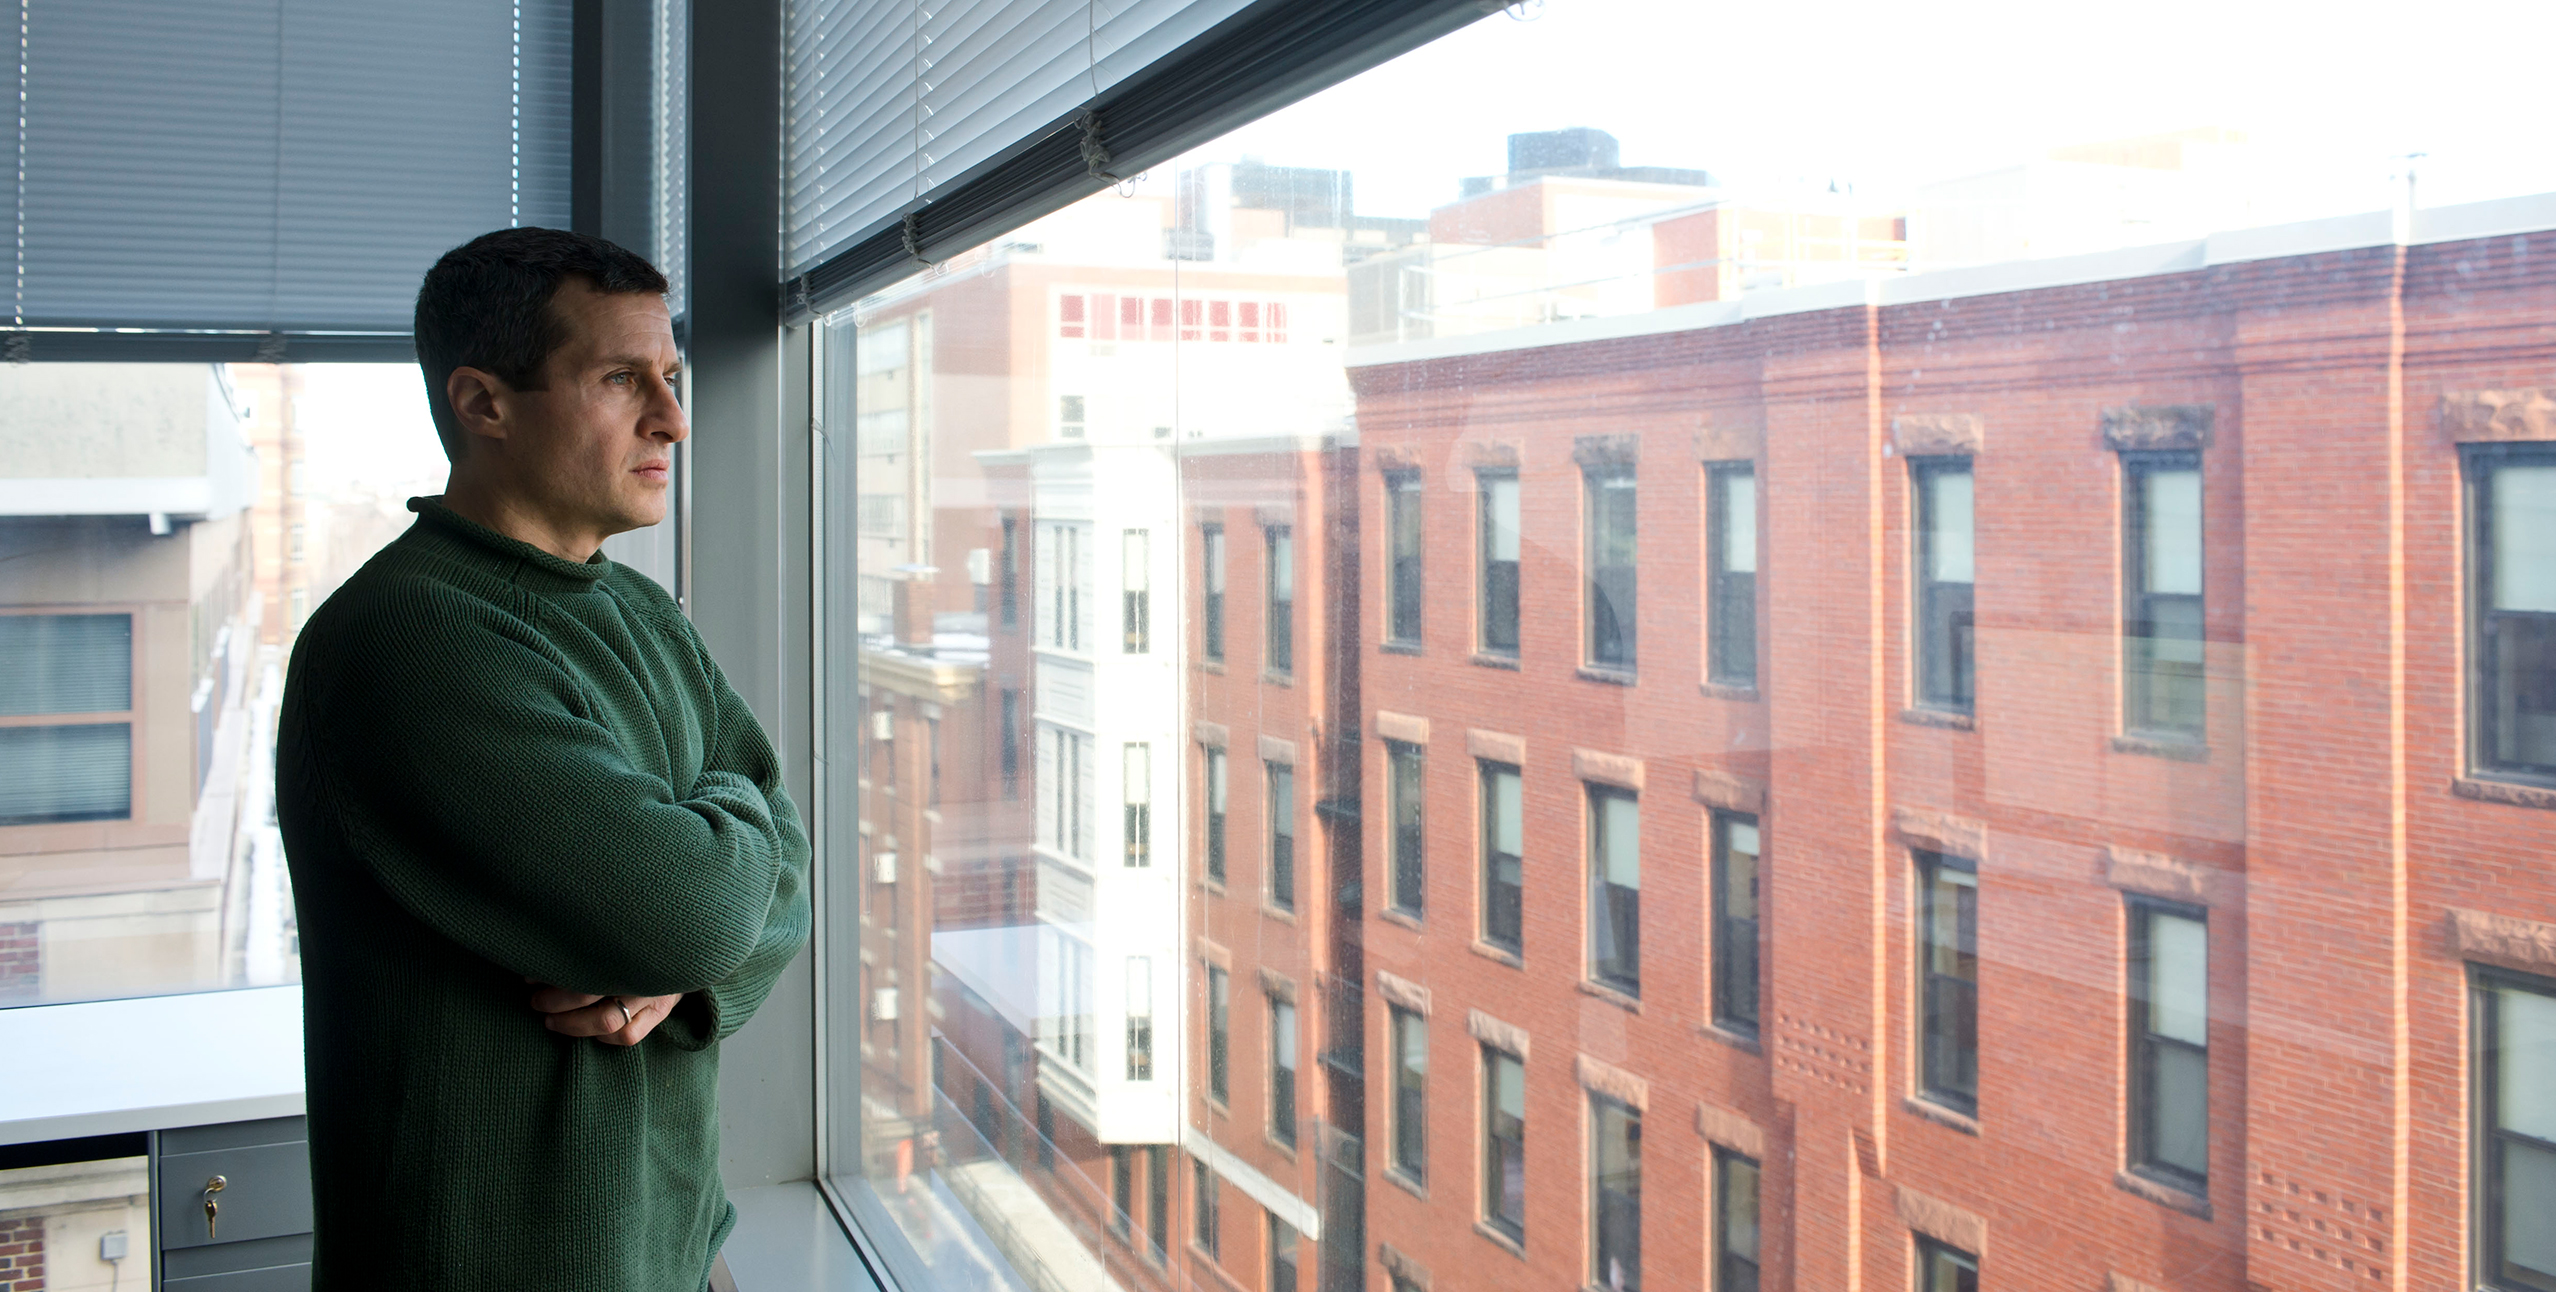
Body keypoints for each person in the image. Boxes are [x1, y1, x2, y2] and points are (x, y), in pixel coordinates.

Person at [277, 227, 809, 1292]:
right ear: (484, 403)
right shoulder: (410, 636)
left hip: (676, 1251)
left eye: (670, 375)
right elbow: (697, 907)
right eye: (621, 379)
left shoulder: (638, 606)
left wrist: (688, 976)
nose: (674, 418)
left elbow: (785, 855)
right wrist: (706, 887)